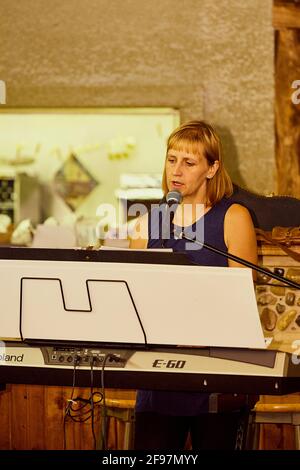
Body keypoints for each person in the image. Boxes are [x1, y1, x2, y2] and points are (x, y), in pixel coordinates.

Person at [129, 120, 258, 450]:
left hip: (216, 370)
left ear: (212, 168)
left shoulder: (233, 217)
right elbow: (132, 297)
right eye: (172, 160)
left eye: (189, 162)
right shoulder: (146, 225)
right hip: (159, 371)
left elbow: (243, 295)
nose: (177, 170)